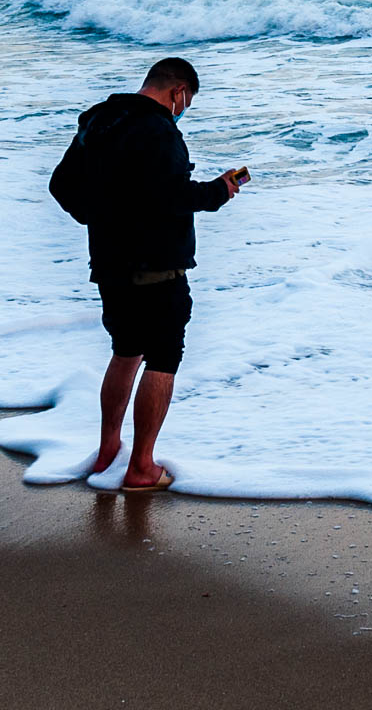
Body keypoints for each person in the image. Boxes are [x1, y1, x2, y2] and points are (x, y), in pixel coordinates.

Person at [49, 57, 244, 492]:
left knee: (125, 351)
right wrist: (218, 191)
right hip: (157, 268)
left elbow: (60, 185)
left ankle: (107, 452)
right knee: (163, 356)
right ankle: (140, 467)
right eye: (187, 100)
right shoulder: (159, 130)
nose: (184, 108)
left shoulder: (98, 120)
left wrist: (101, 218)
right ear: (178, 92)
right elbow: (172, 196)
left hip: (108, 264)